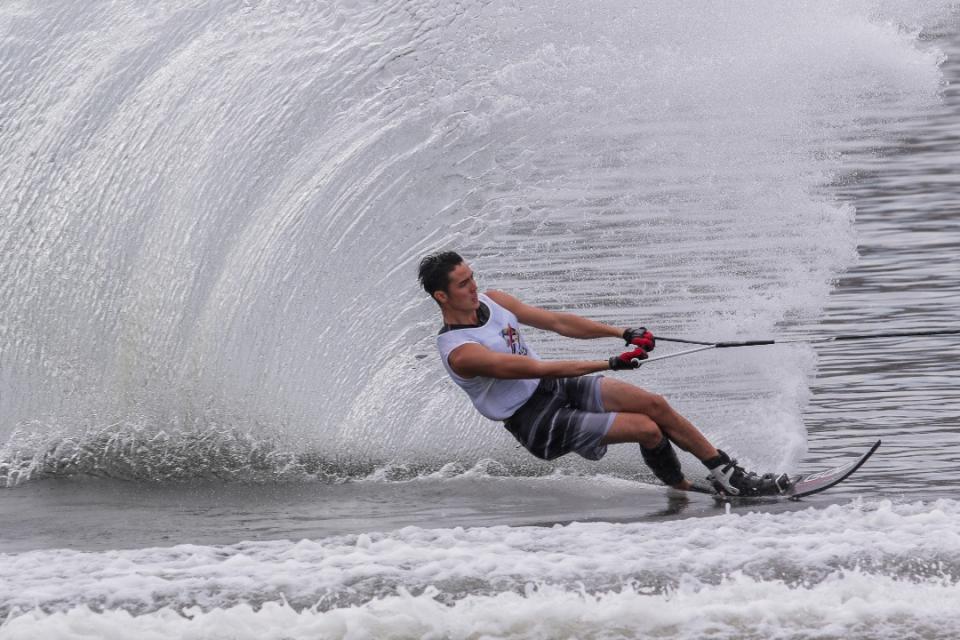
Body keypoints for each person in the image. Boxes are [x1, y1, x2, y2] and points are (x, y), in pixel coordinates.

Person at [418, 250, 792, 496]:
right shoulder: (461, 352)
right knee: (646, 429)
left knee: (653, 404)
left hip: (554, 386)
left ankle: (730, 476)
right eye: (464, 284)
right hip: (534, 420)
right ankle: (683, 490)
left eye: (472, 277)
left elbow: (557, 322)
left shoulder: (493, 300)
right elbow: (533, 366)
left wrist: (622, 333)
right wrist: (612, 362)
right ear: (442, 296)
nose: (475, 287)